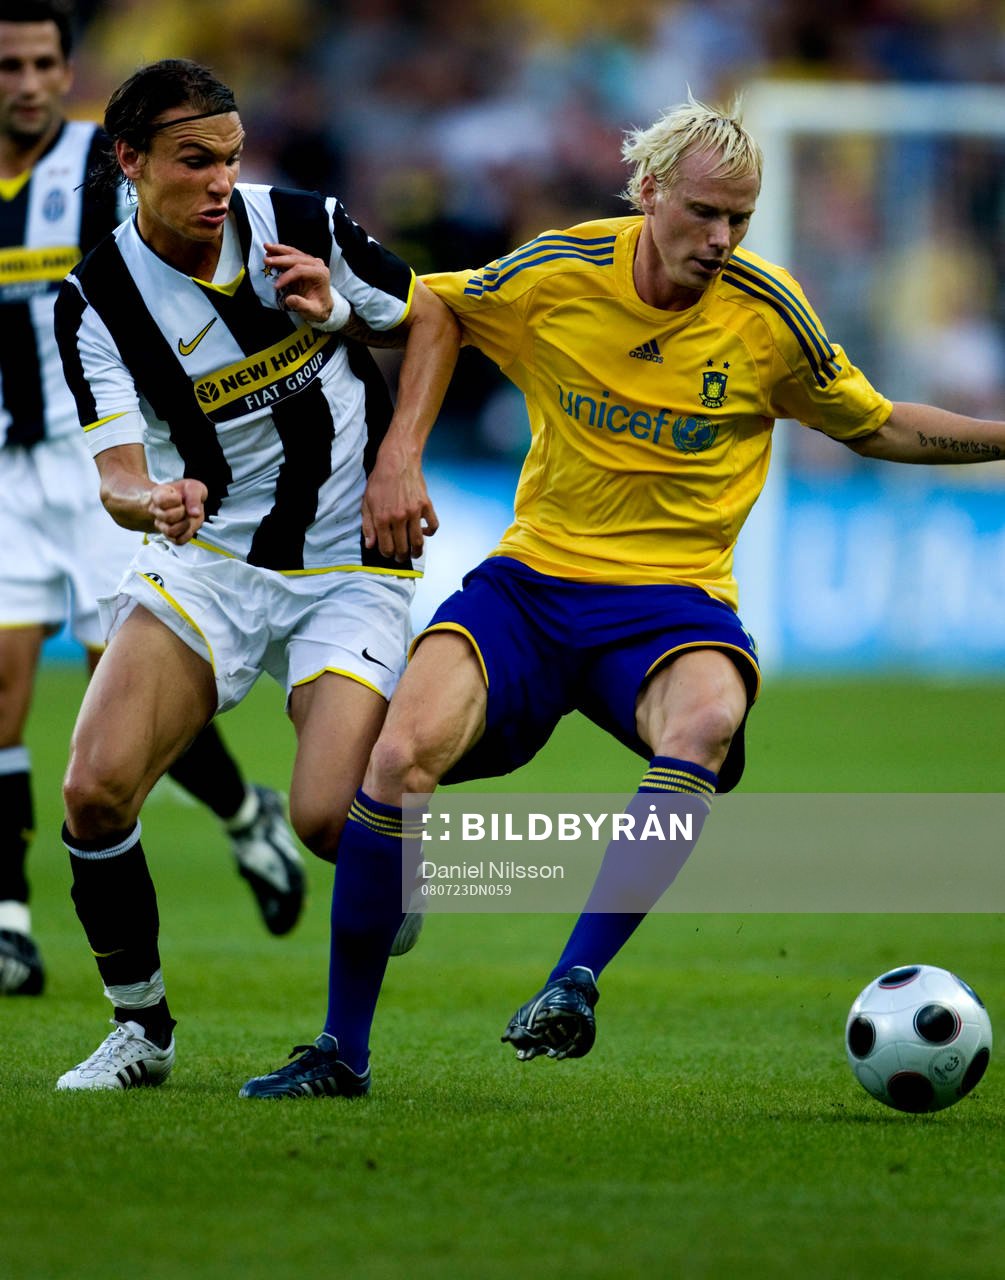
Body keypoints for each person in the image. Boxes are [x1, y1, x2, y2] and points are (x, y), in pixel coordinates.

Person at [242, 92, 1005, 1099]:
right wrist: (399, 447)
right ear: (650, 194)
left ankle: (573, 980)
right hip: (530, 585)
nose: (723, 238)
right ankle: (342, 1051)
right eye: (704, 213)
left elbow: (875, 425)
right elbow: (438, 305)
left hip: (671, 603)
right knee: (390, 761)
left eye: (739, 216)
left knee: (709, 718)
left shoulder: (770, 316)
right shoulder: (561, 272)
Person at [51, 56, 459, 1090]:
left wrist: (398, 454)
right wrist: (156, 500)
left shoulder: (303, 224)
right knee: (95, 789)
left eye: (231, 157)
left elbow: (432, 319)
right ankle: (140, 1027)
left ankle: (396, 858)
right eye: (194, 161)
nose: (220, 182)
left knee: (332, 818)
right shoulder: (94, 299)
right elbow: (116, 477)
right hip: (213, 560)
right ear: (129, 161)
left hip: (349, 566)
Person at [0, 2, 308, 1000]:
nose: (30, 82)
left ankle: (244, 811)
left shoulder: (113, 166)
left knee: (116, 691)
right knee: (2, 693)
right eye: (11, 64)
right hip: (7, 469)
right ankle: (8, 920)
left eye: (47, 62)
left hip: (107, 462)